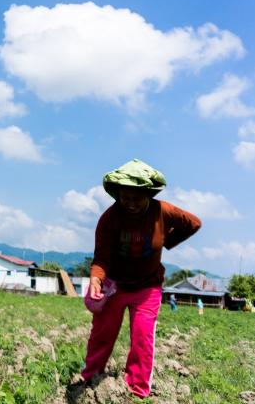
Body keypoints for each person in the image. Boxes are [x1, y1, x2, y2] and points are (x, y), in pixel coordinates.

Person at [80, 159, 202, 399]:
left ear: (148, 195)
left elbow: (194, 223)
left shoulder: (163, 211)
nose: (131, 204)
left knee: (142, 337)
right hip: (114, 286)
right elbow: (102, 257)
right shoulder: (109, 219)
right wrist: (96, 278)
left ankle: (137, 389)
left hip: (148, 287)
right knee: (102, 335)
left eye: (137, 199)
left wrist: (168, 241)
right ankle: (90, 378)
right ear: (118, 195)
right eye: (126, 198)